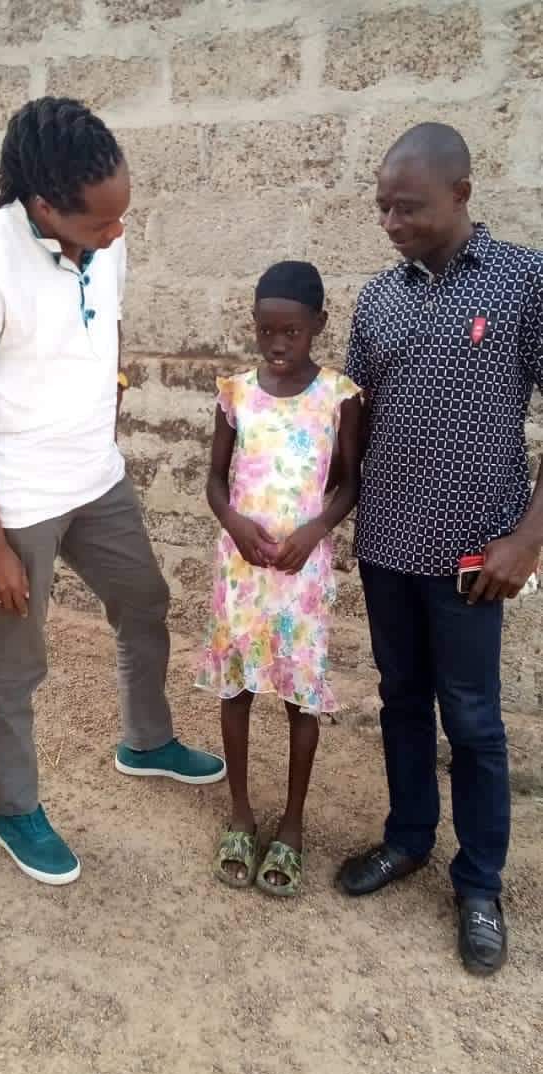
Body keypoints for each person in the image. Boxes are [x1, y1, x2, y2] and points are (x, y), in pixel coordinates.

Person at [0, 96, 226, 887]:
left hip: (96, 476)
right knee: (17, 659)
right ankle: (16, 808)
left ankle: (146, 740)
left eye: (121, 215)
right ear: (44, 204)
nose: (117, 233)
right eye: (101, 221)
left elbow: (107, 329)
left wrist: (108, 411)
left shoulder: (102, 241)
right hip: (18, 499)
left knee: (143, 600)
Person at [338, 122, 543, 975]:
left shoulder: (524, 280)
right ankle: (408, 838)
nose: (392, 222)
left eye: (409, 207)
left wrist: (525, 540)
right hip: (387, 544)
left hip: (474, 559)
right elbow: (353, 425)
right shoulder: (377, 300)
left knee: (474, 719)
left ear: (461, 194)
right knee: (401, 701)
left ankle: (480, 884)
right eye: (383, 207)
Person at [196, 261, 363, 895]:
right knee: (236, 688)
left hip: (301, 572)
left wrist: (315, 531)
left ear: (318, 324)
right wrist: (234, 523)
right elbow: (216, 479)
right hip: (242, 569)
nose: (277, 343)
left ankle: (291, 825)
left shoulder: (339, 397)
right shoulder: (235, 393)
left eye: (291, 331)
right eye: (266, 330)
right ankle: (241, 815)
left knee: (300, 696)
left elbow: (349, 482)